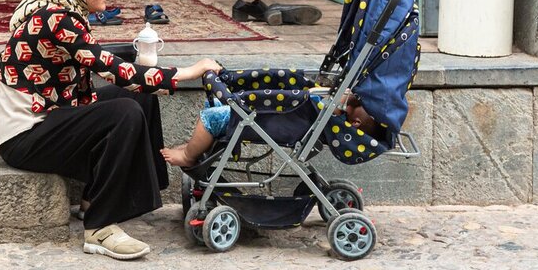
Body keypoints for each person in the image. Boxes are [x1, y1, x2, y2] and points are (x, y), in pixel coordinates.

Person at [0, 0, 221, 260]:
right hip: (25, 137)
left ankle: (101, 199)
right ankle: (99, 227)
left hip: (52, 119)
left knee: (138, 96)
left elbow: (99, 58)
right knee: (124, 110)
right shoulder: (56, 19)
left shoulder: (56, 10)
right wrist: (191, 71)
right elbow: (115, 71)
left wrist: (138, 64)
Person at [160, 89, 386, 168]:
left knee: (209, 118)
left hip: (258, 120)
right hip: (264, 117)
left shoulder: (333, 114)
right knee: (218, 104)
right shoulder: (335, 114)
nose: (347, 100)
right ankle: (196, 149)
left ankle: (190, 155)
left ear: (355, 123)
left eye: (353, 104)